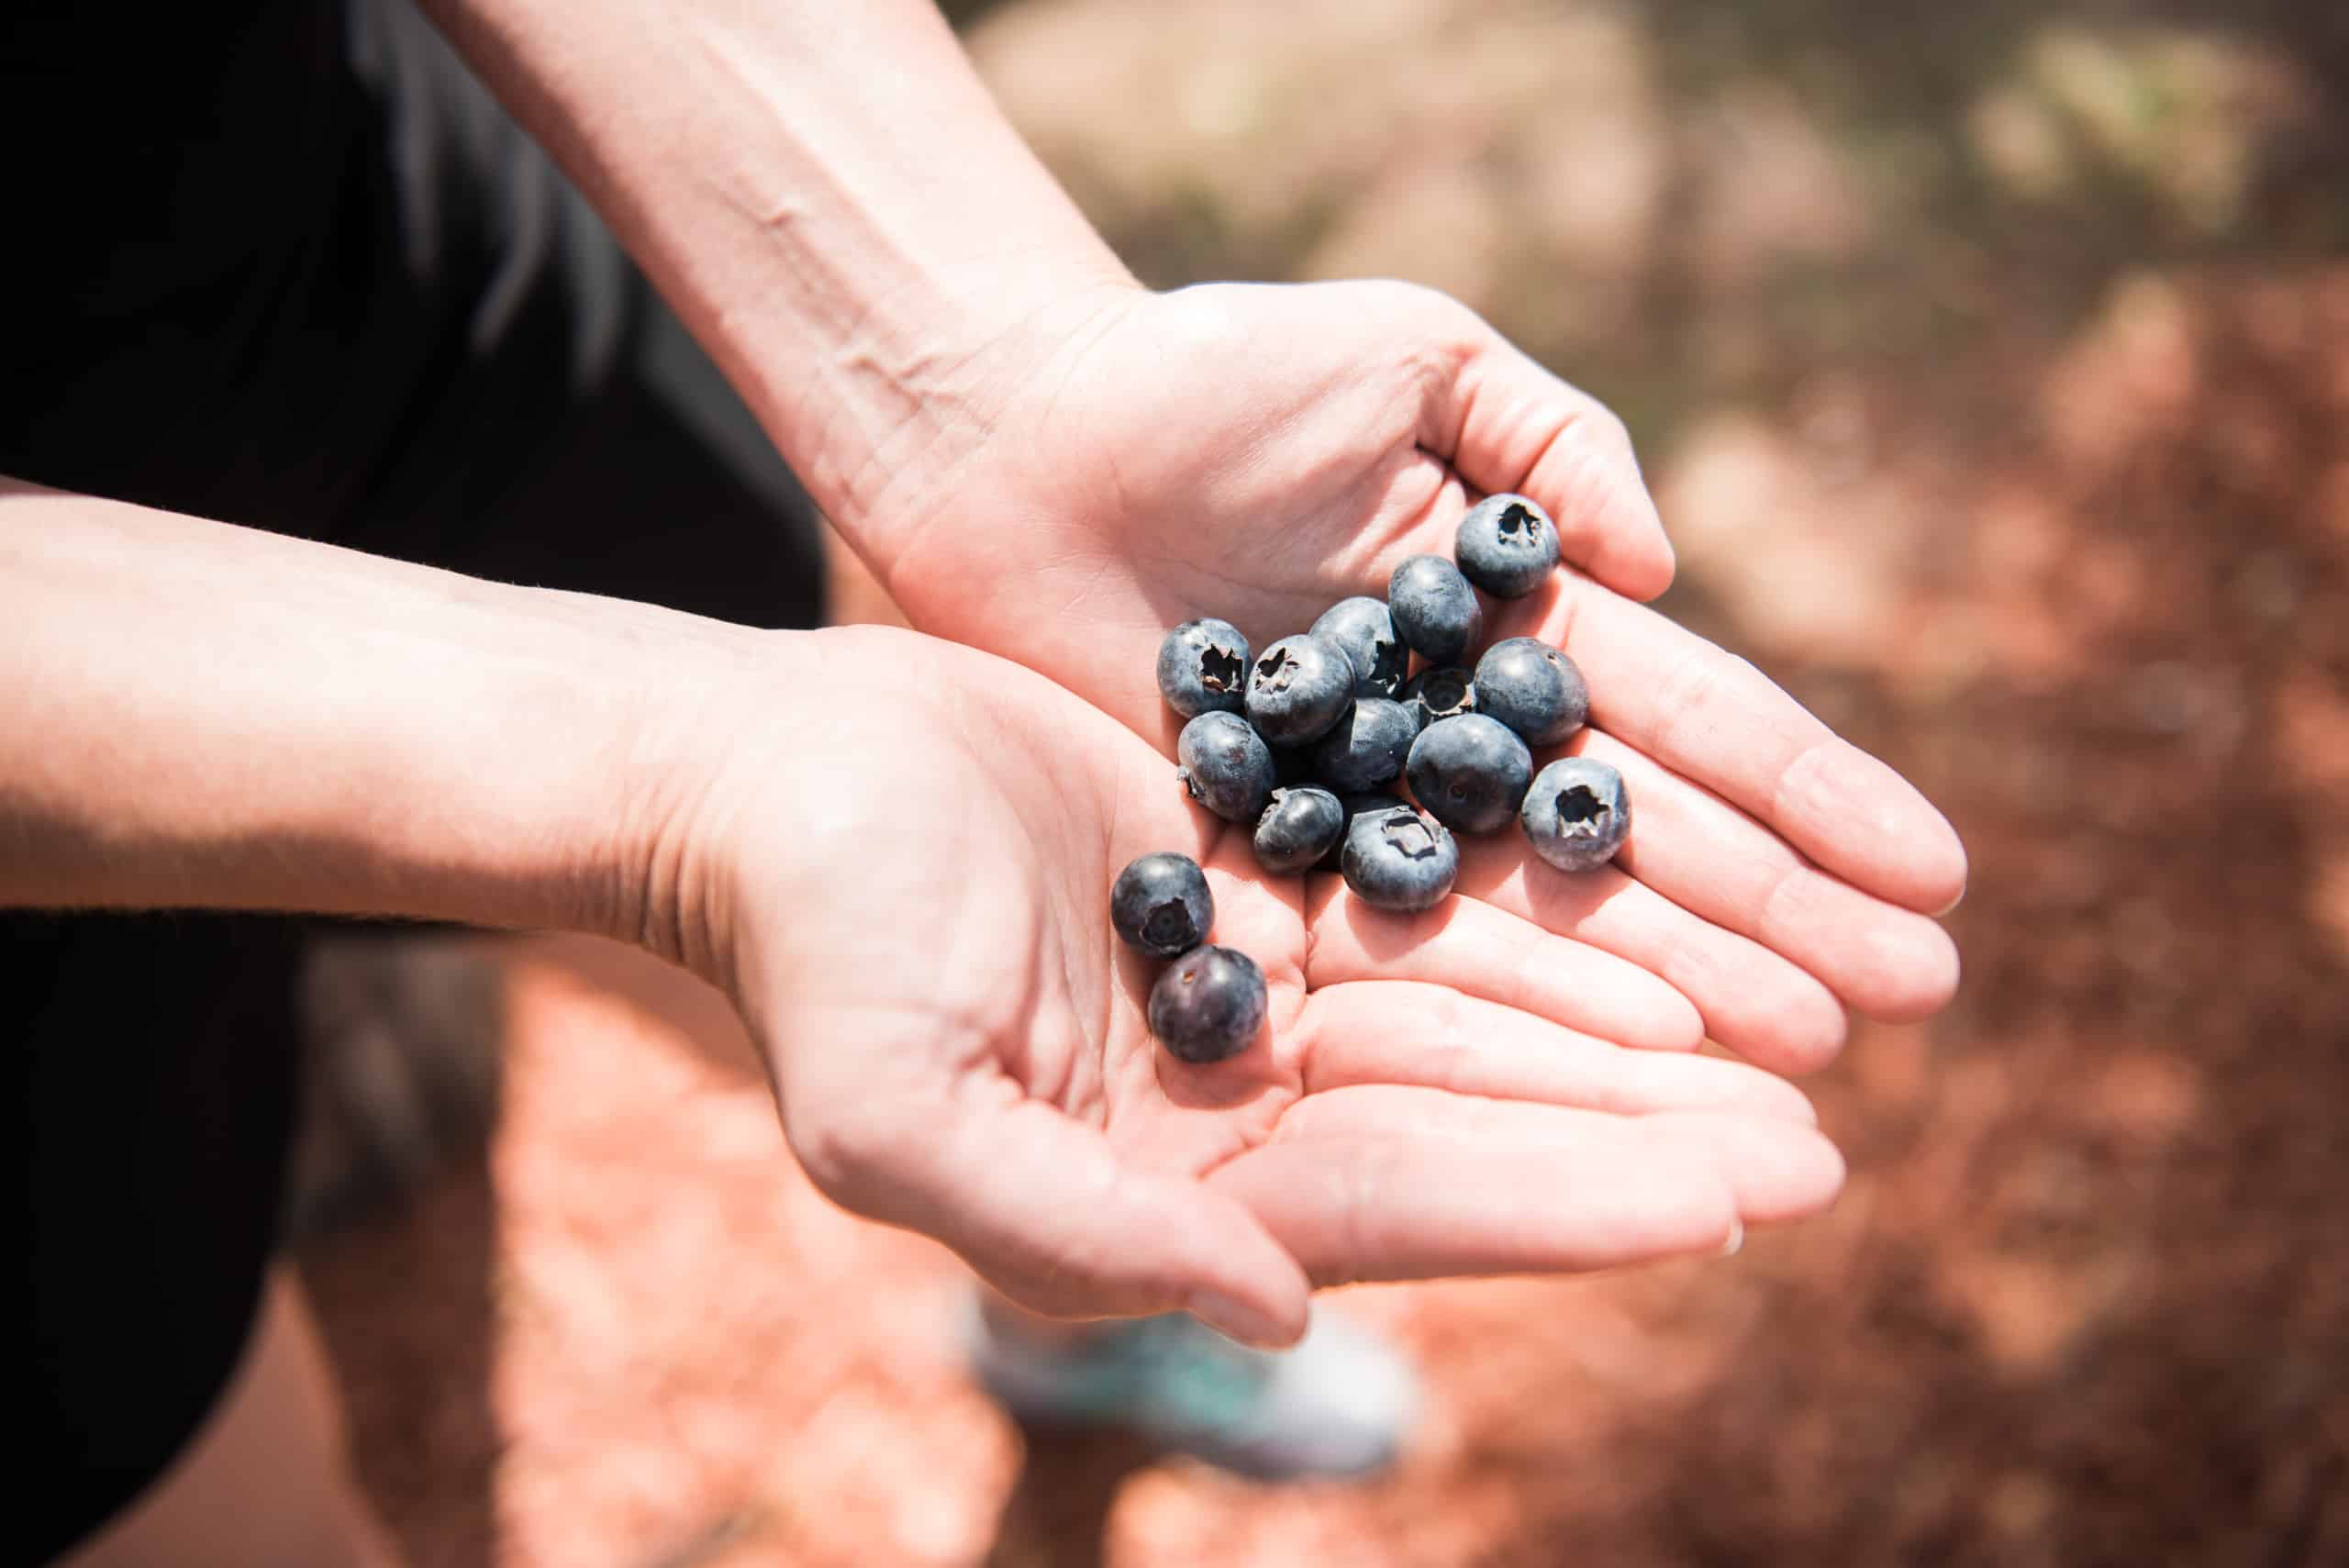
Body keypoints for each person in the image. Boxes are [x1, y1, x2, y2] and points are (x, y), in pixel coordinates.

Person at [4, 0, 1967, 1561]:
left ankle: (1070, 1334)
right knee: (213, 1503)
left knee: (869, 918)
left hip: (343, 252)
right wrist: (675, 780)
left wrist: (977, 368)